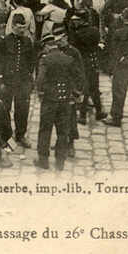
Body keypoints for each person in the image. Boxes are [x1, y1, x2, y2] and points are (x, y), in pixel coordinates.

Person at [34, 31, 85, 170]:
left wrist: (40, 92)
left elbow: (40, 79)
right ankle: (60, 162)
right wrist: (76, 93)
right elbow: (78, 77)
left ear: (47, 46)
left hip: (50, 100)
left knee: (45, 129)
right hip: (65, 101)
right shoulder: (68, 59)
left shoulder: (45, 59)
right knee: (63, 131)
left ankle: (43, 160)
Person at [0, 13, 35, 148]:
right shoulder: (4, 41)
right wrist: (0, 80)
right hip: (7, 81)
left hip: (22, 81)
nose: (22, 30)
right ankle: (5, 136)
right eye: (19, 28)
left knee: (22, 109)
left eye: (24, 28)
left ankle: (20, 135)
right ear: (12, 27)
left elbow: (31, 62)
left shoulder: (28, 42)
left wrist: (29, 79)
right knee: (5, 108)